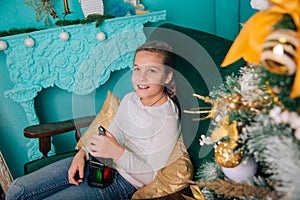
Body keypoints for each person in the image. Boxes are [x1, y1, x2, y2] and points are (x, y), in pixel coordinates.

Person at [6, 40, 181, 200]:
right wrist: (83, 153)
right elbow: (112, 134)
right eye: (137, 69)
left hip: (123, 182)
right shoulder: (130, 99)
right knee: (17, 190)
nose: (141, 77)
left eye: (152, 70)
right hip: (97, 162)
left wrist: (117, 153)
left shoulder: (168, 119)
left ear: (167, 77)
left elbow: (150, 177)